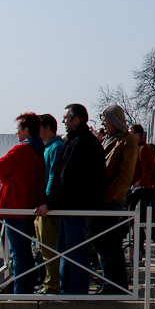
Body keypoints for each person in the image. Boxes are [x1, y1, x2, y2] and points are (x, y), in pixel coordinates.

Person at [35, 104, 105, 295]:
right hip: (73, 205)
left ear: (76, 119)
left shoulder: (80, 142)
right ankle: (68, 290)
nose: (63, 121)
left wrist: (51, 203)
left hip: (76, 206)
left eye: (66, 118)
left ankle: (76, 292)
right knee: (65, 250)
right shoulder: (78, 141)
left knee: (75, 251)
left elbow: (68, 179)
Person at [0, 112, 46, 295]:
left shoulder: (21, 149)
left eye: (18, 129)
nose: (16, 132)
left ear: (26, 130)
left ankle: (21, 293)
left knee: (18, 254)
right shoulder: (41, 149)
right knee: (26, 252)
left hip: (14, 207)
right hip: (30, 207)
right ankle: (26, 289)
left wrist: (6, 178)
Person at [93, 104, 137, 294]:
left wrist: (107, 195)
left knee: (111, 243)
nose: (103, 123)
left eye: (105, 120)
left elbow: (125, 175)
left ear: (114, 120)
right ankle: (108, 282)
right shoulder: (108, 139)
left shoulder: (127, 141)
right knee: (102, 245)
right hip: (102, 198)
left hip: (111, 200)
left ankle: (117, 284)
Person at [35, 113, 64, 295]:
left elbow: (54, 176)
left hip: (49, 208)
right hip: (44, 206)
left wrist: (48, 201)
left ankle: (52, 285)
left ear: (47, 127)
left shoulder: (56, 147)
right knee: (44, 248)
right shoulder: (49, 147)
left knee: (49, 249)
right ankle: (50, 282)